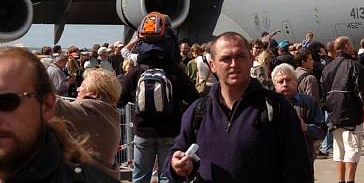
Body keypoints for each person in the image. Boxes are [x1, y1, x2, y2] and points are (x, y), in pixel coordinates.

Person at [166, 32, 312, 183]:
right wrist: (175, 165)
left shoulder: (276, 108)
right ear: (212, 66)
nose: (234, 64)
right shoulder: (198, 111)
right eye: (225, 59)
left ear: (251, 59)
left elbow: (299, 169)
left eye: (240, 56)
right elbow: (175, 155)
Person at [0, 47, 118, 182]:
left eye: (7, 101)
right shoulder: (111, 113)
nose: (78, 88)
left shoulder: (90, 111)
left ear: (47, 105)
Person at [119, 27, 199, 183]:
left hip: (142, 131)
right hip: (170, 131)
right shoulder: (175, 71)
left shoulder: (136, 71)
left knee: (140, 175)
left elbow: (121, 100)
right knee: (166, 175)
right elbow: (194, 98)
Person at [56, 68, 122, 179]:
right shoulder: (109, 111)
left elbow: (54, 104)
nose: (77, 89)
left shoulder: (91, 109)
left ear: (94, 93)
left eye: (82, 86)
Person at [321, 36, 364, 183]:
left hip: (333, 114)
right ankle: (350, 180)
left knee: (339, 150)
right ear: (346, 46)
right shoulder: (354, 66)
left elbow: (323, 91)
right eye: (350, 44)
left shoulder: (327, 68)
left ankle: (341, 180)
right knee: (352, 149)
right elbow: (362, 92)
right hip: (351, 115)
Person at [272, 63, 326, 172]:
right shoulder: (268, 105)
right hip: (275, 164)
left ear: (296, 81)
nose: (285, 84)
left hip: (303, 161)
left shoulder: (309, 102)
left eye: (288, 80)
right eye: (280, 81)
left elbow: (322, 131)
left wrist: (305, 127)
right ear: (274, 84)